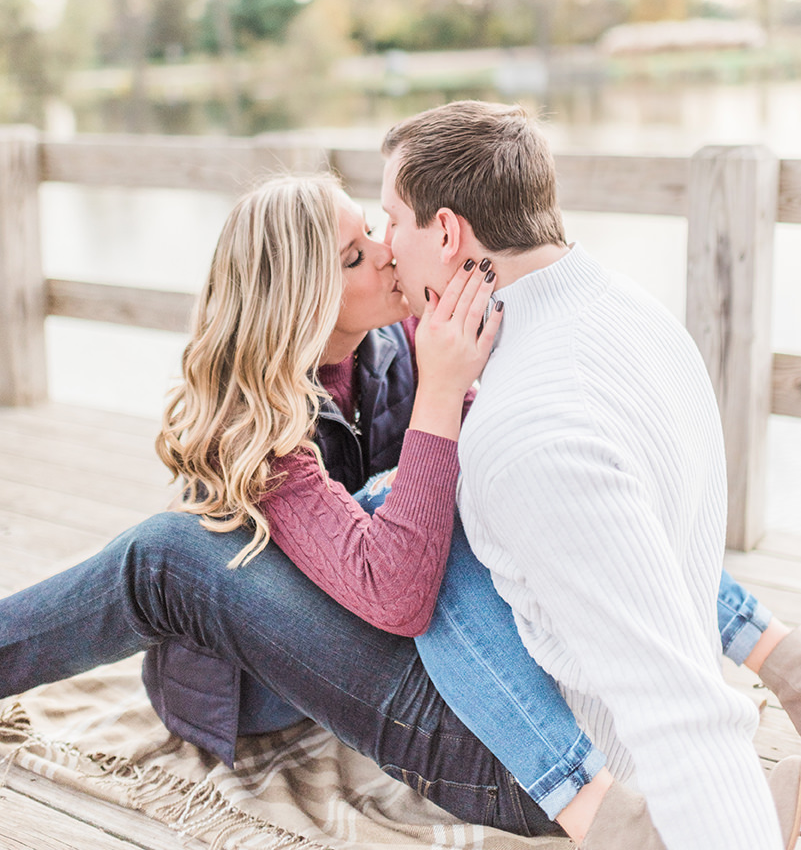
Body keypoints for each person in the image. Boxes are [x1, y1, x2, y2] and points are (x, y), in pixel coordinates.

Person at [0, 168, 797, 847]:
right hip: (265, 671)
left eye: (373, 228)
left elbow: (532, 492)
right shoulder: (260, 420)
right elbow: (399, 588)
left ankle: (771, 651)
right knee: (187, 545)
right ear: (306, 297)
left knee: (514, 472)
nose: (386, 251)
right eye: (354, 254)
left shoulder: (393, 344)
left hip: (384, 617)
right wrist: (443, 395)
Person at [379, 99, 800, 850]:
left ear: (445, 232)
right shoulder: (636, 313)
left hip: (590, 764)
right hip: (625, 680)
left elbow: (683, 715)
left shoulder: (528, 429)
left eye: (390, 222)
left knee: (192, 566)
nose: (385, 250)